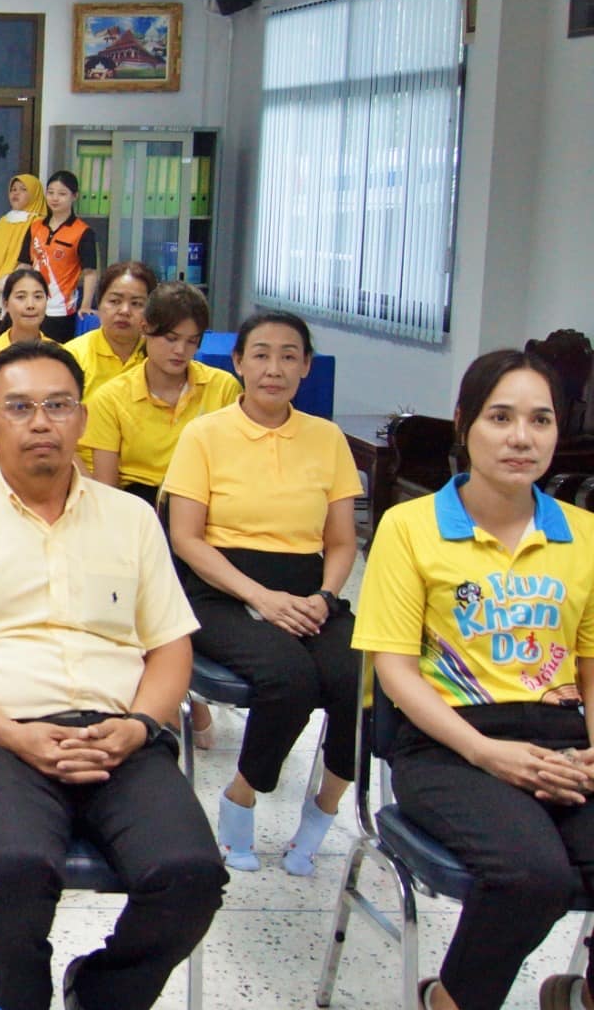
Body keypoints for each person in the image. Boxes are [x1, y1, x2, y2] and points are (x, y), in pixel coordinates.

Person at [0, 340, 226, 1010]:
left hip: (120, 741)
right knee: (15, 868)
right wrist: (15, 737)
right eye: (19, 407)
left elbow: (168, 648)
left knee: (191, 875)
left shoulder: (132, 519)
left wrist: (138, 726)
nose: (41, 423)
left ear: (82, 419)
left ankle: (100, 992)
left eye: (57, 407)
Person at [353, 350, 594, 1010]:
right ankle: (451, 1000)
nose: (521, 437)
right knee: (531, 876)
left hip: (560, 740)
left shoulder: (585, 534)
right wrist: (489, 753)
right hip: (448, 745)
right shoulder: (411, 527)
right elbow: (396, 671)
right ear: (464, 424)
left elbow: (590, 669)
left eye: (540, 420)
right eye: (501, 417)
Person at [164, 311, 361, 877]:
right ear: (239, 363)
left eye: (289, 356)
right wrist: (261, 598)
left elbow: (342, 541)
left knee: (359, 677)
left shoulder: (326, 439)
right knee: (289, 677)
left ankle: (324, 809)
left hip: (307, 591)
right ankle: (242, 795)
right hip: (221, 589)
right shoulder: (204, 434)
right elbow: (186, 538)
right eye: (261, 354)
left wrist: (324, 596)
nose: (274, 368)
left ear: (304, 368)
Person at [82, 282, 241, 506]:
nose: (180, 351)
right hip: (136, 503)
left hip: (205, 501)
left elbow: (232, 470)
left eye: (191, 341)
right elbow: (106, 490)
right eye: (171, 338)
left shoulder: (223, 387)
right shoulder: (110, 398)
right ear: (145, 328)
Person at [17, 169, 98, 344]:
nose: (55, 198)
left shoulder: (83, 231)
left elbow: (90, 272)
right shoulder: (35, 227)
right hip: (32, 306)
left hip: (62, 310)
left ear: (74, 196)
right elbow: (24, 266)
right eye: (51, 192)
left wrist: (85, 305)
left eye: (62, 194)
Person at [64, 261, 156, 400]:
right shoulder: (71, 357)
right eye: (114, 301)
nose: (124, 311)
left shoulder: (158, 357)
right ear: (99, 304)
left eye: (136, 303)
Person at [0, 174, 48, 341]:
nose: (16, 193)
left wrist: (0, 285)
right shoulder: (3, 220)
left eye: (23, 190)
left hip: (15, 294)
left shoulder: (38, 225)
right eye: (13, 189)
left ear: (35, 194)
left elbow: (29, 264)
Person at [0, 268, 51, 395]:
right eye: (21, 297)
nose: (30, 305)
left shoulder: (58, 353)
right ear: (6, 304)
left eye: (38, 297)